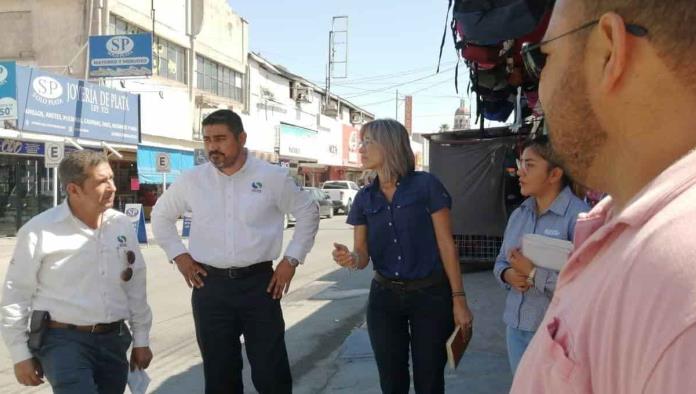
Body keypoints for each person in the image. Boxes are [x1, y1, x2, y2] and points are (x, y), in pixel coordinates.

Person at [512, 0, 696, 392]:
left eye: (541, 58)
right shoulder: (627, 229)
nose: (538, 89)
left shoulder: (677, 287)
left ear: (609, 51)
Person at [151, 109, 320, 394]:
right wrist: (179, 256)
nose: (213, 147)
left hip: (260, 286)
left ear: (241, 138)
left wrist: (291, 260)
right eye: (207, 140)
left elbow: (308, 213)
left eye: (220, 138)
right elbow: (160, 216)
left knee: (271, 372)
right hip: (210, 288)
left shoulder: (271, 176)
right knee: (219, 375)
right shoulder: (192, 180)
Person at [332, 119, 473, 394]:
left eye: (368, 142)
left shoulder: (427, 186)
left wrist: (459, 300)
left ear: (390, 145)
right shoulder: (364, 198)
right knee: (391, 381)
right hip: (384, 300)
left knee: (429, 381)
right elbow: (362, 256)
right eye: (361, 142)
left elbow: (446, 245)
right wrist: (351, 258)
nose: (361, 149)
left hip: (430, 296)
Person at [0, 150, 153, 393]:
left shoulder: (121, 224)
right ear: (73, 189)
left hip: (114, 339)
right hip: (63, 342)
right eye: (102, 181)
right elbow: (16, 295)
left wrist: (141, 339)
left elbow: (135, 285)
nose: (112, 187)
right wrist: (20, 354)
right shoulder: (39, 231)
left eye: (111, 178)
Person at [493, 136, 589, 374]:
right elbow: (500, 262)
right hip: (516, 328)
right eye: (520, 163)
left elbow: (586, 287)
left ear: (554, 174)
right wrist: (507, 275)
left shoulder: (580, 219)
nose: (520, 172)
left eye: (530, 165)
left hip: (557, 334)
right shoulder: (520, 215)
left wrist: (533, 273)